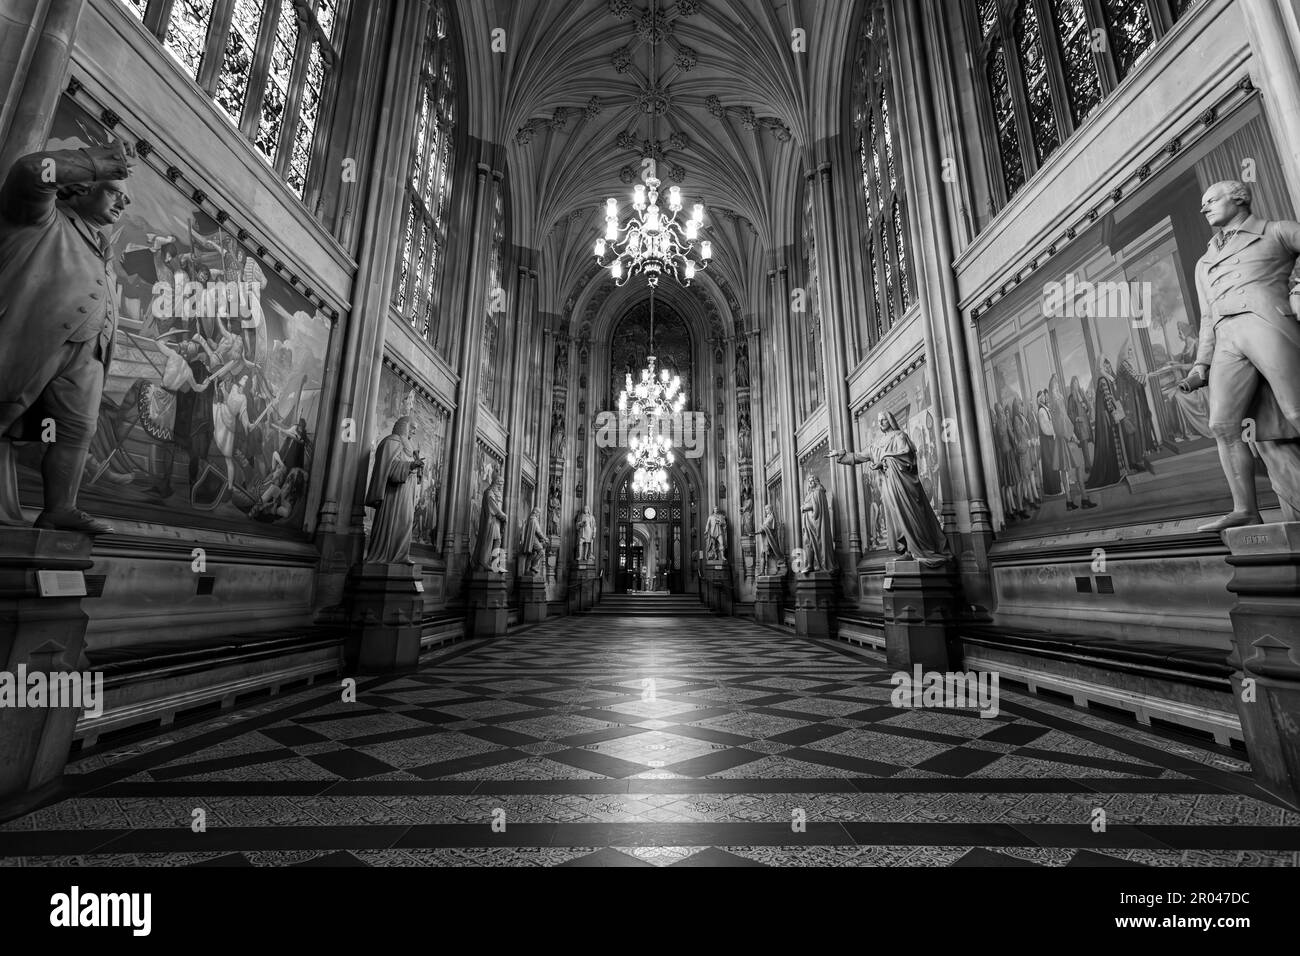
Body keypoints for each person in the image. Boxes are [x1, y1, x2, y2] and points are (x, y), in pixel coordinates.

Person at [0, 140, 137, 533]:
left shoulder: (103, 249)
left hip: (88, 353)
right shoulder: (42, 217)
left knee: (76, 431)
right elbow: (30, 173)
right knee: (4, 405)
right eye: (115, 192)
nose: (122, 204)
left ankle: (59, 508)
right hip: (34, 342)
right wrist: (95, 162)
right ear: (82, 186)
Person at [1179, 179, 1300, 529]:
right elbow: (1206, 317)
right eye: (1202, 204)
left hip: (1267, 324)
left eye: (1211, 200)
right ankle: (1245, 509)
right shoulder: (1204, 262)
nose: (1204, 208)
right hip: (1226, 340)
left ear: (1240, 197)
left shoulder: (1275, 232)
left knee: (1295, 409)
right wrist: (1201, 364)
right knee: (1223, 425)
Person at [828, 412, 950, 568]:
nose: (881, 422)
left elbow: (907, 457)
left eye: (884, 419)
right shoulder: (877, 443)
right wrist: (841, 454)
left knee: (910, 514)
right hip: (888, 487)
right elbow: (859, 456)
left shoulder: (899, 436)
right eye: (879, 420)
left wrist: (884, 461)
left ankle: (922, 548)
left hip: (903, 485)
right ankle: (908, 550)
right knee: (897, 518)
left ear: (890, 420)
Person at [363, 417, 423, 564]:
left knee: (406, 522)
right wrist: (410, 466)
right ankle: (386, 556)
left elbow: (413, 471)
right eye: (412, 427)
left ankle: (400, 556)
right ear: (404, 425)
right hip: (393, 495)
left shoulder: (408, 446)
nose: (413, 432)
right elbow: (389, 469)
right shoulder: (391, 442)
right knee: (393, 523)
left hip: (406, 494)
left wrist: (418, 467)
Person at [799, 475, 837, 572]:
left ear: (816, 481)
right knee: (807, 542)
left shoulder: (818, 491)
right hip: (808, 522)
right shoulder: (810, 493)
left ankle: (817, 564)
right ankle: (810, 564)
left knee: (815, 542)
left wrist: (804, 507)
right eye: (809, 481)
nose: (810, 483)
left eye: (812, 481)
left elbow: (816, 506)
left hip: (816, 523)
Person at [474, 467, 507, 569]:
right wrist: (504, 516)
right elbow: (495, 509)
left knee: (497, 541)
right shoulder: (489, 493)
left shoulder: (496, 494)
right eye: (500, 484)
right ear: (496, 483)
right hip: (490, 522)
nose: (502, 487)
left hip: (496, 523)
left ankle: (494, 564)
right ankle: (482, 562)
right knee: (488, 541)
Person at [520, 506, 548, 577]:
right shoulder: (534, 520)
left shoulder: (530, 519)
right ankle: (533, 566)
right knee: (541, 551)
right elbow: (538, 531)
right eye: (538, 513)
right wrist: (544, 538)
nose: (539, 515)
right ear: (536, 512)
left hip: (531, 540)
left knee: (531, 555)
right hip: (533, 540)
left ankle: (526, 571)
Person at [756, 503, 782, 575]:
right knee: (763, 554)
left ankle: (776, 568)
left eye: (767, 509)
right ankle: (762, 571)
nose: (766, 510)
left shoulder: (771, 517)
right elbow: (764, 527)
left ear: (771, 509)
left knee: (771, 554)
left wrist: (759, 531)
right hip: (765, 539)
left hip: (769, 539)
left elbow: (767, 526)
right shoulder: (766, 518)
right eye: (765, 509)